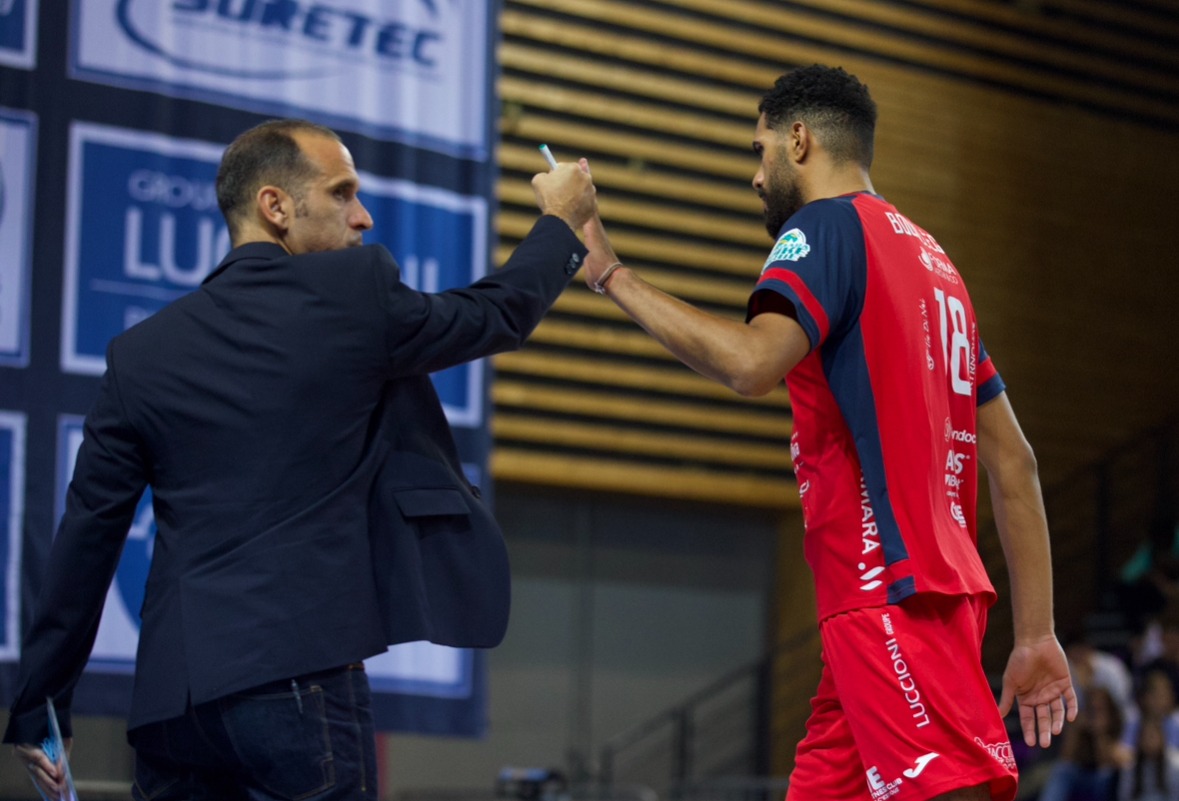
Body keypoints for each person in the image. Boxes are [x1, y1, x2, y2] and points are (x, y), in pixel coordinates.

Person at [4, 119, 598, 799]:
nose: (362, 216)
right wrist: (561, 221)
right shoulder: (353, 292)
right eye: (342, 193)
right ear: (276, 206)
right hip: (296, 685)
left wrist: (40, 707)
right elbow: (496, 313)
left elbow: (87, 537)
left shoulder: (138, 354)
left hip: (174, 703)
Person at [578, 65, 1077, 801]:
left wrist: (609, 273)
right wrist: (1034, 632)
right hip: (926, 593)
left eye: (760, 151)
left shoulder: (824, 228)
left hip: (886, 592)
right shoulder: (937, 264)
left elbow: (751, 364)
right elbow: (1015, 463)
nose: (756, 177)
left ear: (799, 139)